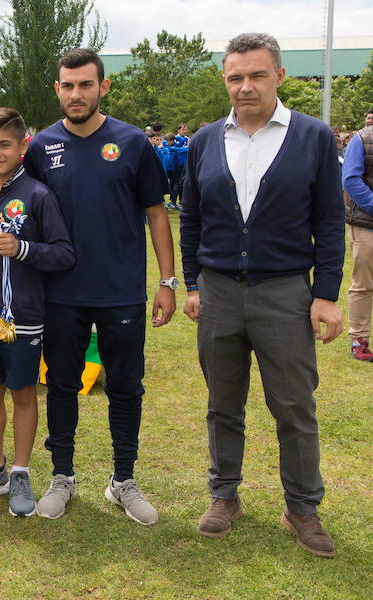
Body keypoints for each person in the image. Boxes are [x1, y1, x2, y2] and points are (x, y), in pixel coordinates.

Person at [180, 33, 344, 558]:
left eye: (256, 75)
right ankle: (224, 495)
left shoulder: (314, 136)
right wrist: (190, 282)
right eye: (235, 77)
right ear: (225, 80)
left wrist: (325, 294)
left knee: (294, 407)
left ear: (279, 76)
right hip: (220, 293)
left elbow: (329, 221)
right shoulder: (205, 140)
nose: (245, 87)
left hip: (285, 295)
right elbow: (193, 217)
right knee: (222, 404)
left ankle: (302, 508)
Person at [18, 48, 175, 524]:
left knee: (126, 387)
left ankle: (123, 480)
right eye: (68, 85)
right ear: (57, 90)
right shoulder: (41, 147)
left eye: (86, 84)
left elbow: (156, 214)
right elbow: (17, 206)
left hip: (121, 290)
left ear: (103, 87)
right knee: (62, 386)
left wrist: (167, 281)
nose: (76, 94)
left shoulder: (131, 142)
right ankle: (62, 477)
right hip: (61, 292)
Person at [0, 108, 75, 517]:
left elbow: (64, 253)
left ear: (24, 145)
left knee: (22, 393)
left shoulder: (39, 195)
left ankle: (22, 472)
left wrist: (23, 249)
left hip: (22, 315)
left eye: (4, 144)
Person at [342, 108, 373, 362]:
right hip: (366, 225)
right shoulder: (361, 139)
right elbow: (351, 180)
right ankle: (359, 341)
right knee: (364, 284)